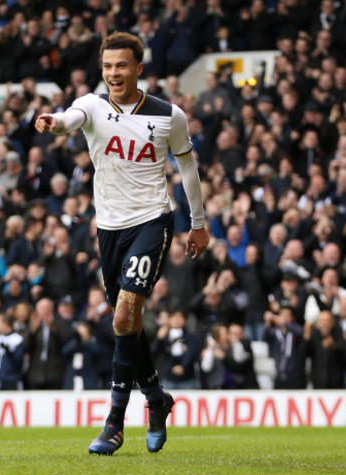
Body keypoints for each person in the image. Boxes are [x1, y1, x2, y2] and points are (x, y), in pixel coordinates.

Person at [35, 31, 209, 455]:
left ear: (138, 68)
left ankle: (114, 422)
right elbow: (68, 120)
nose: (114, 73)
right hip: (109, 228)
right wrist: (53, 123)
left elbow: (187, 169)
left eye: (122, 65)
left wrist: (198, 222)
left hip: (153, 220)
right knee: (127, 324)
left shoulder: (169, 115)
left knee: (124, 314)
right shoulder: (92, 105)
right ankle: (156, 399)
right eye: (108, 65)